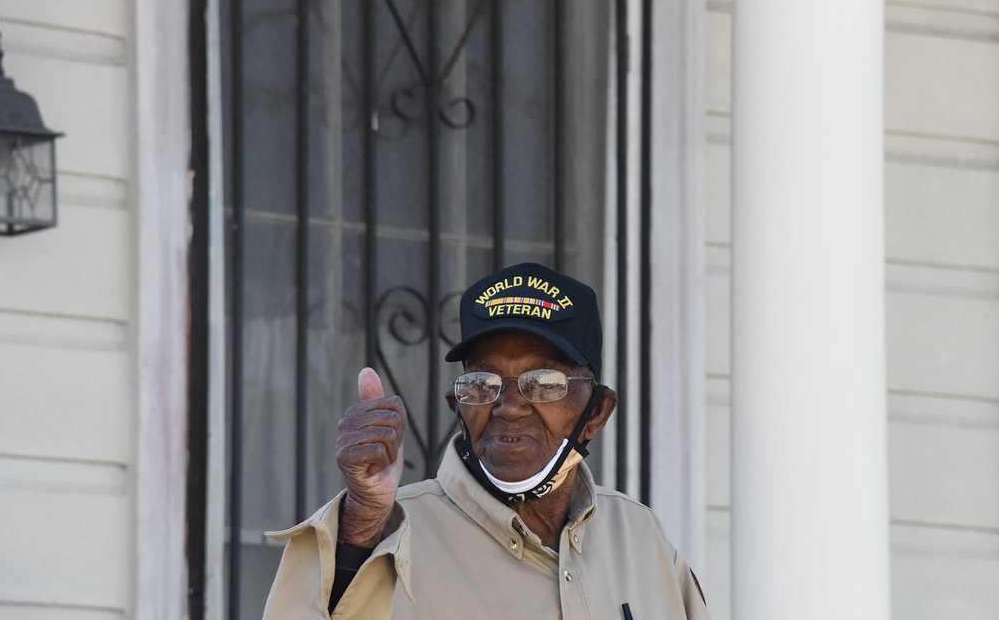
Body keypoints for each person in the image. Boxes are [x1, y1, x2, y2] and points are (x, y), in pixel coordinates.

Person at [262, 262, 710, 619]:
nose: (509, 405)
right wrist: (359, 528)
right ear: (457, 405)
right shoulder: (386, 534)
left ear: (596, 413)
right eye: (484, 382)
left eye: (545, 382)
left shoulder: (640, 538)